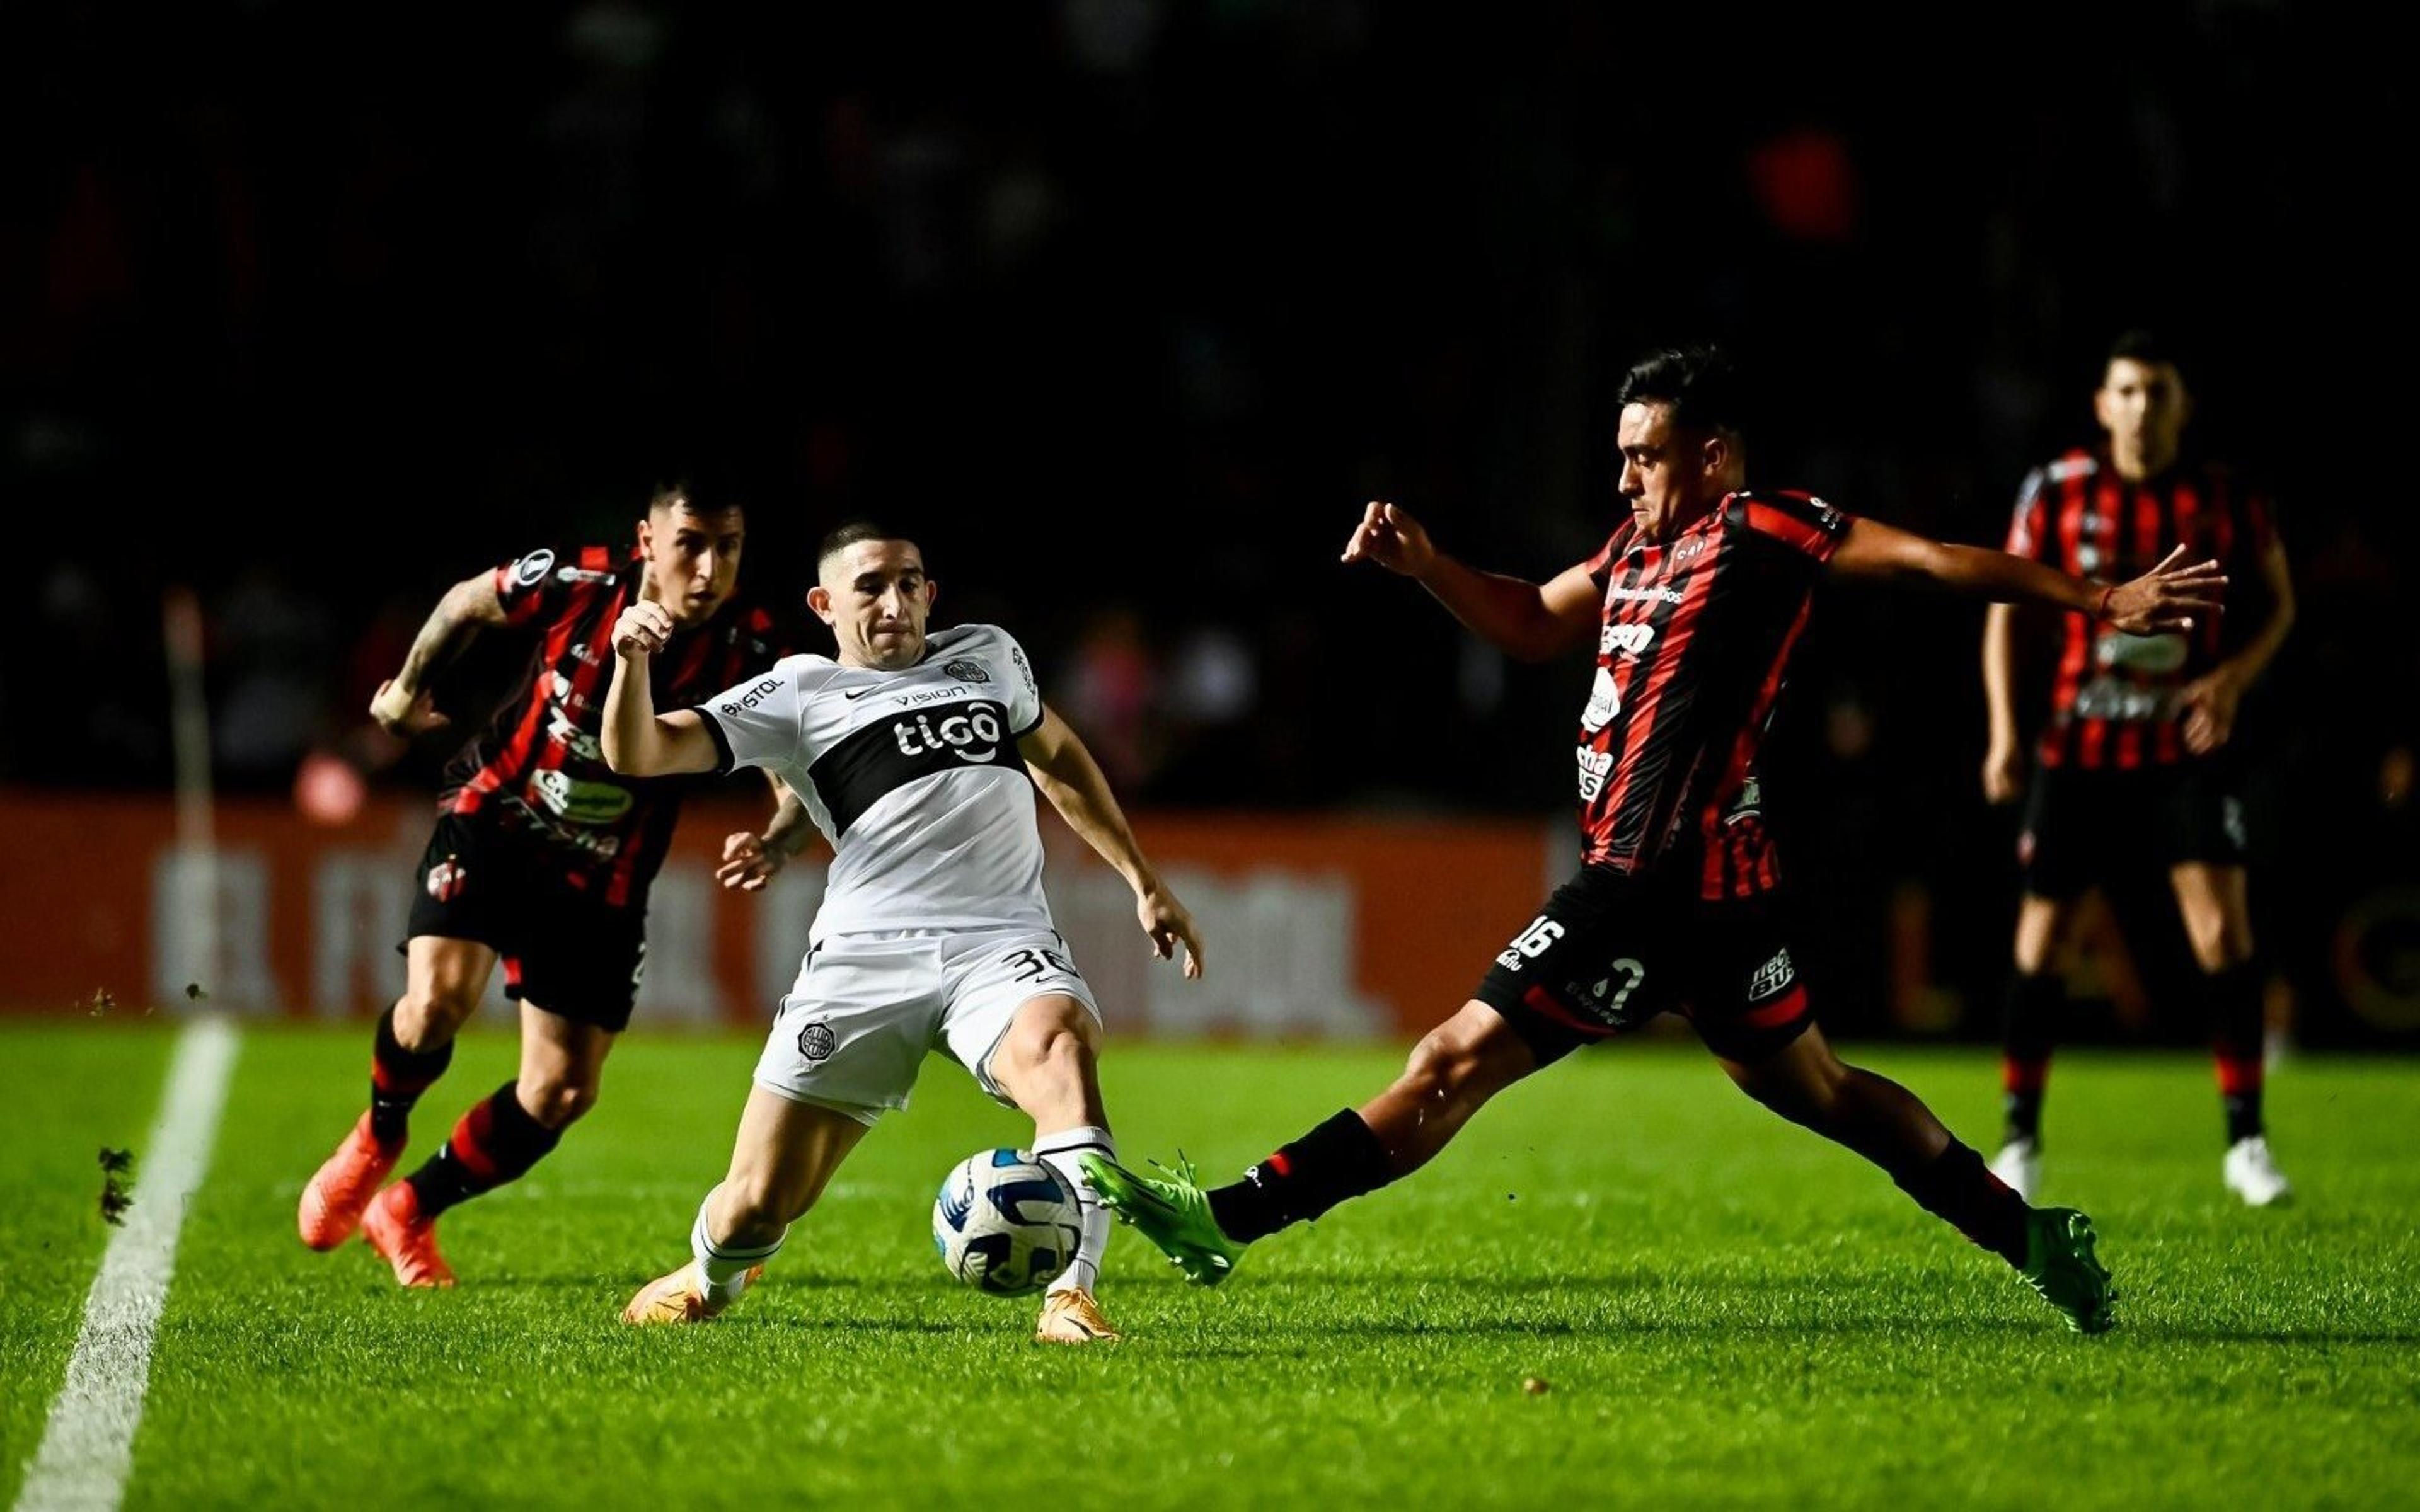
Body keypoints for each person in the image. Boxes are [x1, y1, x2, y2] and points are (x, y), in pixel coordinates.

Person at [1084, 345, 2227, 1336]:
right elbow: (1531, 622)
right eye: (1622, 454)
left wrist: (2098, 600)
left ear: (1715, 454)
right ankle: (2035, 1240)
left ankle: (1229, 1219)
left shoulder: (1762, 527)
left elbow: (1930, 561)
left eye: (1647, 455)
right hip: (1715, 901)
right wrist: (1429, 567)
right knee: (1823, 1091)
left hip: (1648, 887)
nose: (1626, 475)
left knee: (1449, 1062)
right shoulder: (1632, 550)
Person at [601, 521, 1204, 1344]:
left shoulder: (987, 656)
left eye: (910, 582)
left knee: (1062, 1048)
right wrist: (630, 664)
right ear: (823, 604)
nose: (895, 601)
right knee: (757, 1201)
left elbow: (1057, 757)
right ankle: (710, 1275)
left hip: (1000, 940)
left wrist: (1144, 880)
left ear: (931, 592)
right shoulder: (797, 691)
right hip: (864, 959)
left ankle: (1070, 1297)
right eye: (871, 586)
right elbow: (639, 750)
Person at [297, 483, 803, 1286]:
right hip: (498, 816)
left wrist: (779, 836)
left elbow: (787, 756)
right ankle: (376, 1137)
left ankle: (408, 1209)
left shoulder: (753, 644)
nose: (709, 569)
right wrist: (402, 690)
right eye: (691, 544)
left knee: (563, 1090)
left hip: (605, 874)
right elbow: (468, 601)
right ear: (647, 538)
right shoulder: (582, 583)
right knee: (436, 1000)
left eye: (729, 547)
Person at [1982, 331, 2296, 1206]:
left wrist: (2232, 679)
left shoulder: (2226, 498)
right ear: (2102, 404)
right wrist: (2005, 731)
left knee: (2222, 936)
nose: (2143, 408)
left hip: (2183, 751)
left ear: (2182, 405)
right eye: (2128, 391)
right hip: (2077, 750)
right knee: (2040, 943)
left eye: (2159, 391)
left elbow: (2282, 603)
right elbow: (2006, 610)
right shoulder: (2058, 491)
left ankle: (2246, 1143)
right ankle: (2020, 1140)